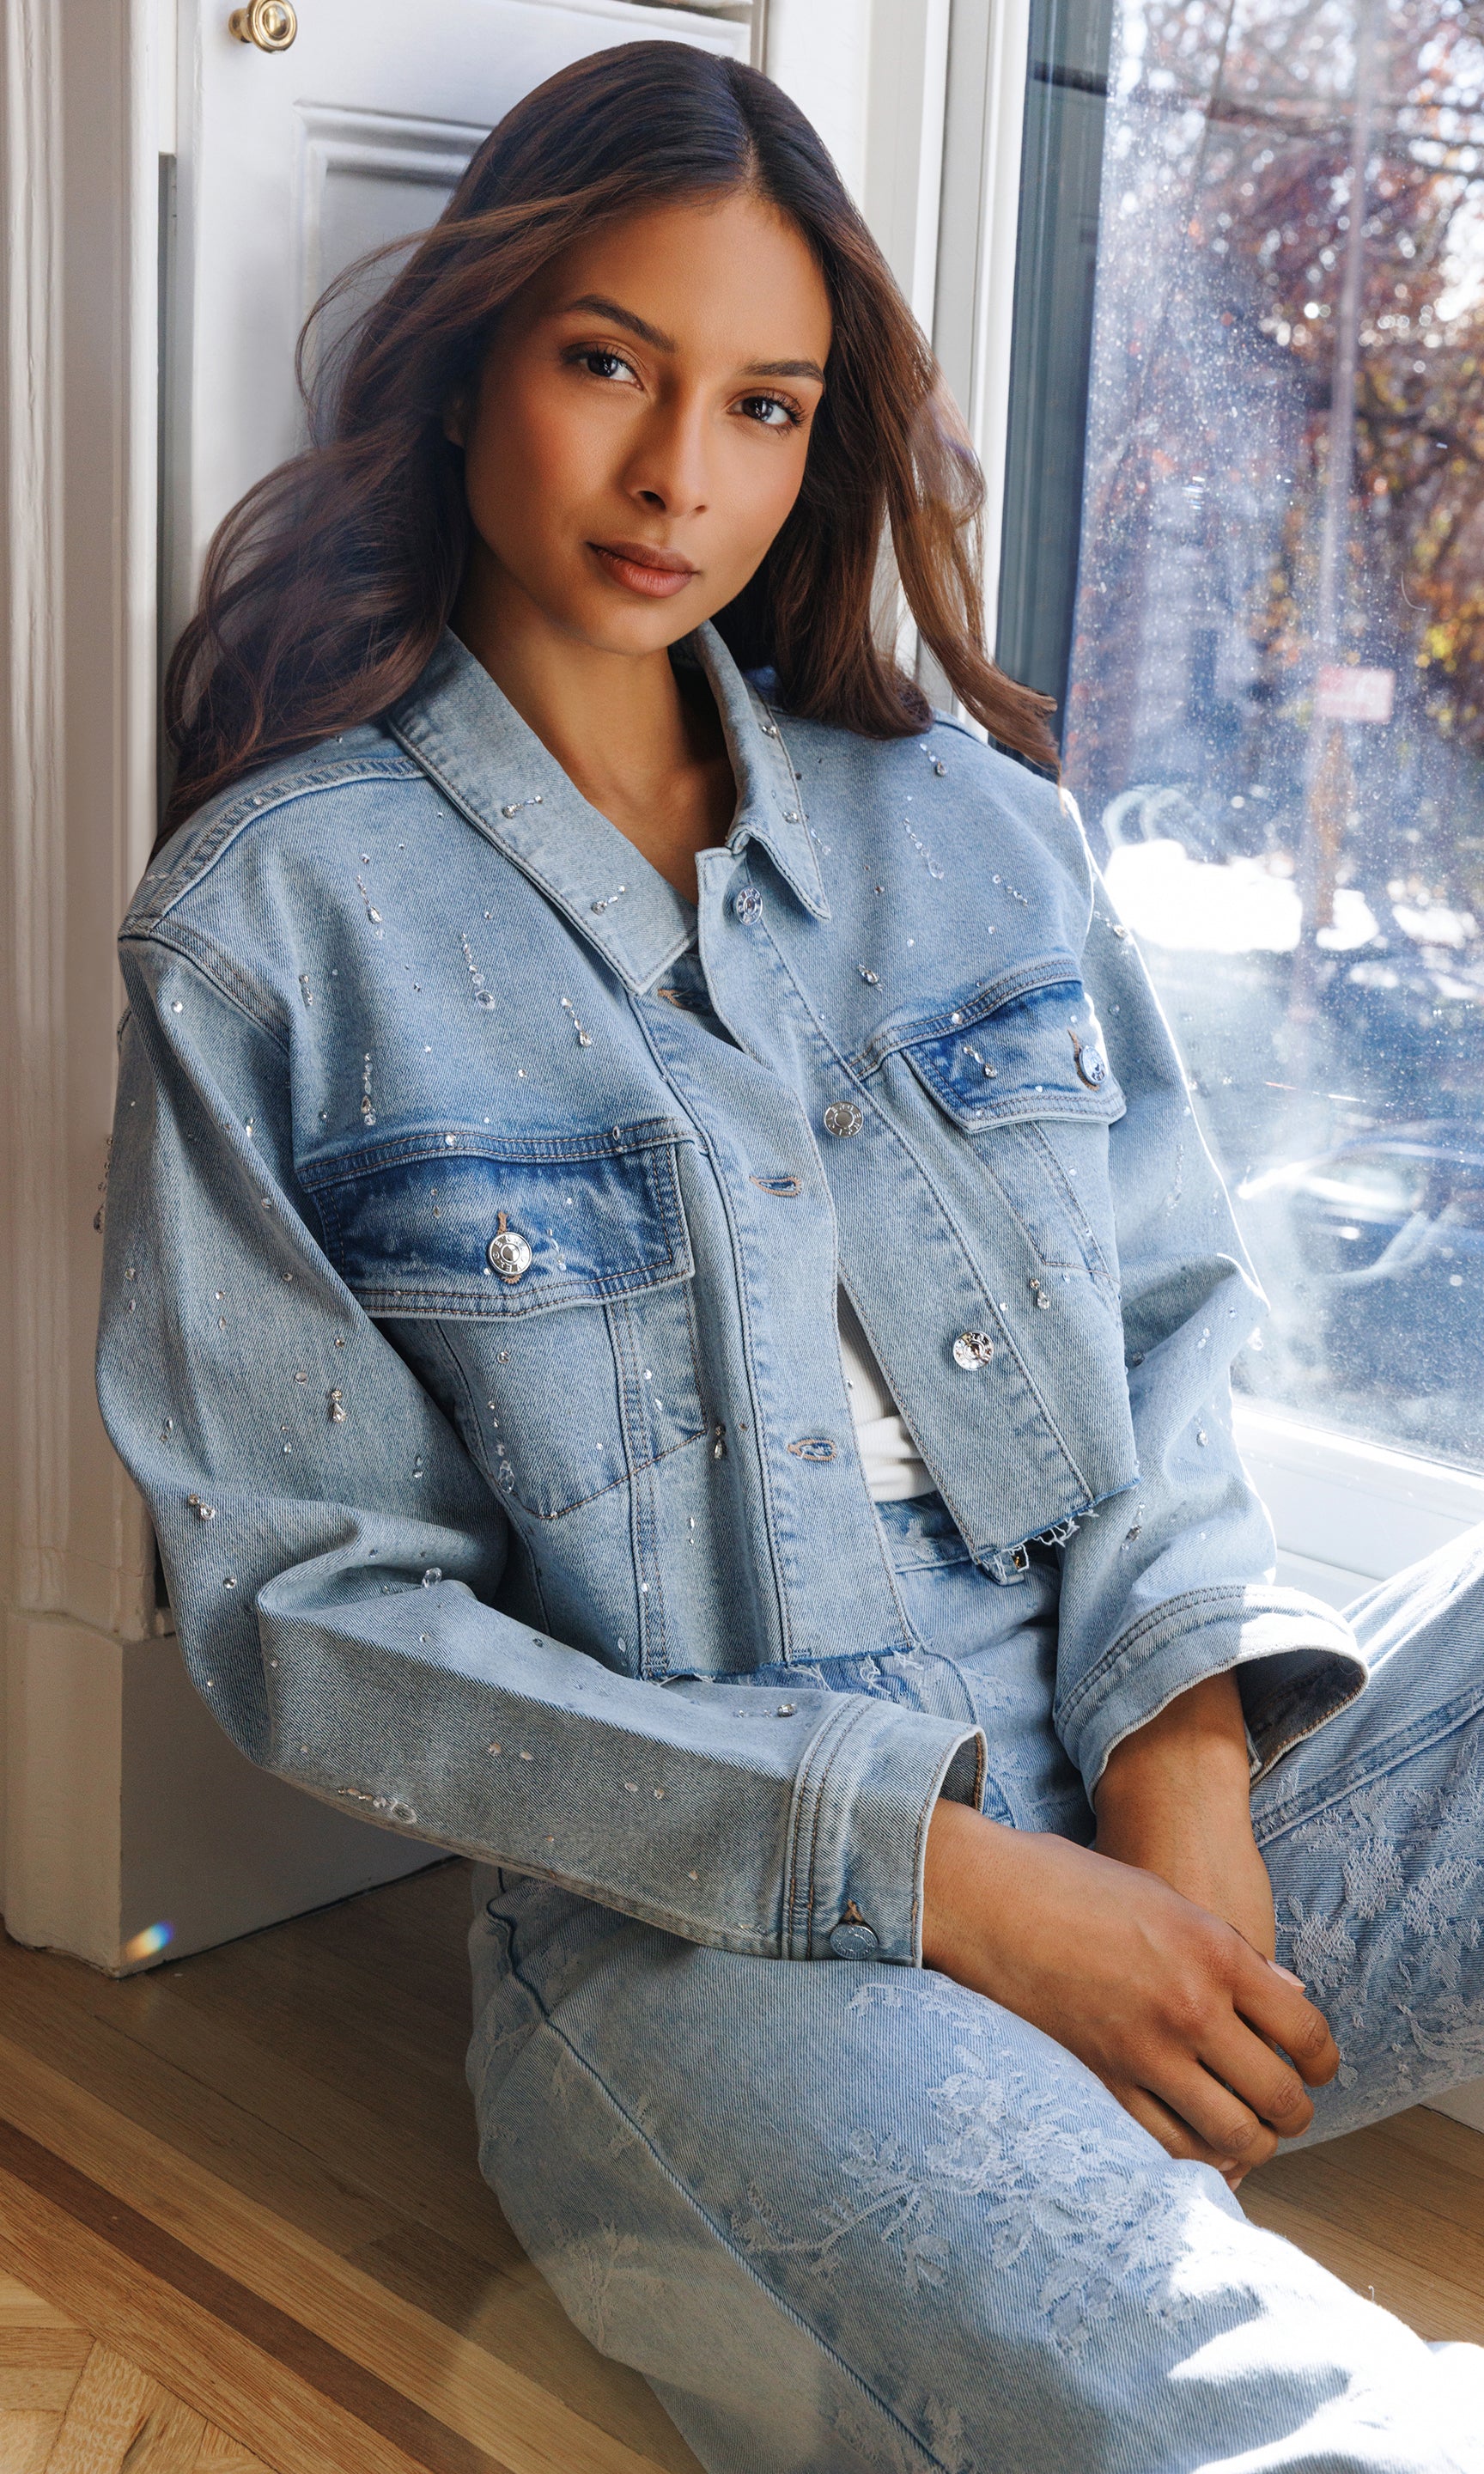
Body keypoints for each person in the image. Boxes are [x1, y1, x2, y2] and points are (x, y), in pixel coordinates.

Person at [96, 40, 1484, 2471]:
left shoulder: (968, 821)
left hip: (1174, 1843)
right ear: (469, 370)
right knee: (1230, 2408)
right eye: (609, 364)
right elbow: (312, 1614)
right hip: (707, 1937)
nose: (677, 478)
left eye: (763, 404)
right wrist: (932, 1880)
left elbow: (1161, 1321)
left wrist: (1175, 1768)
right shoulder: (273, 929)